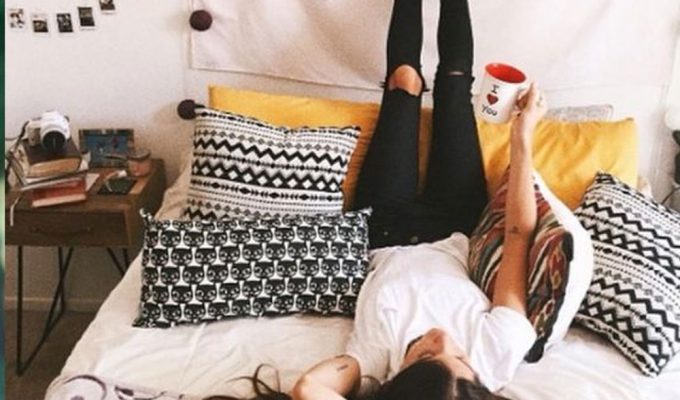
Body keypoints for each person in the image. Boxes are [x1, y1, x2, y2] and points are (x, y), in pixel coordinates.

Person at [207, 0, 547, 398]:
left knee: (404, 83)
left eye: (424, 354)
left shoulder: (373, 360)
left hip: (384, 228)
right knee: (454, 87)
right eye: (461, 357)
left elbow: (310, 388)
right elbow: (518, 235)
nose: (442, 337)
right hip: (455, 223)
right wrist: (523, 136)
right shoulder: (497, 352)